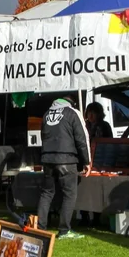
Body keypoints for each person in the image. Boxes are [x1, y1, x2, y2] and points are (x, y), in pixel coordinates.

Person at [37, 95, 91, 238]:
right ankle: (64, 230)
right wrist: (86, 161)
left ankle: (40, 228)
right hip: (67, 159)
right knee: (69, 194)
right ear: (71, 103)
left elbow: (42, 136)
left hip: (47, 158)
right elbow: (81, 138)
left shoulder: (46, 114)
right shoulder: (72, 113)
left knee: (46, 194)